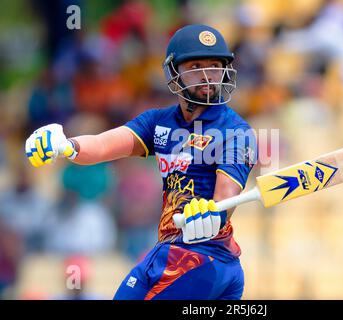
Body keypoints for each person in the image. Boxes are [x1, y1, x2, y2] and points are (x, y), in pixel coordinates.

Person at [25, 24, 257, 300]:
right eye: (196, 65)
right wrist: (66, 145)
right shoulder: (159, 122)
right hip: (170, 251)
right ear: (175, 73)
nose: (208, 75)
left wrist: (212, 214)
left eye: (215, 66)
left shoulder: (236, 131)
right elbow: (102, 146)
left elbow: (226, 197)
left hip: (205, 259)